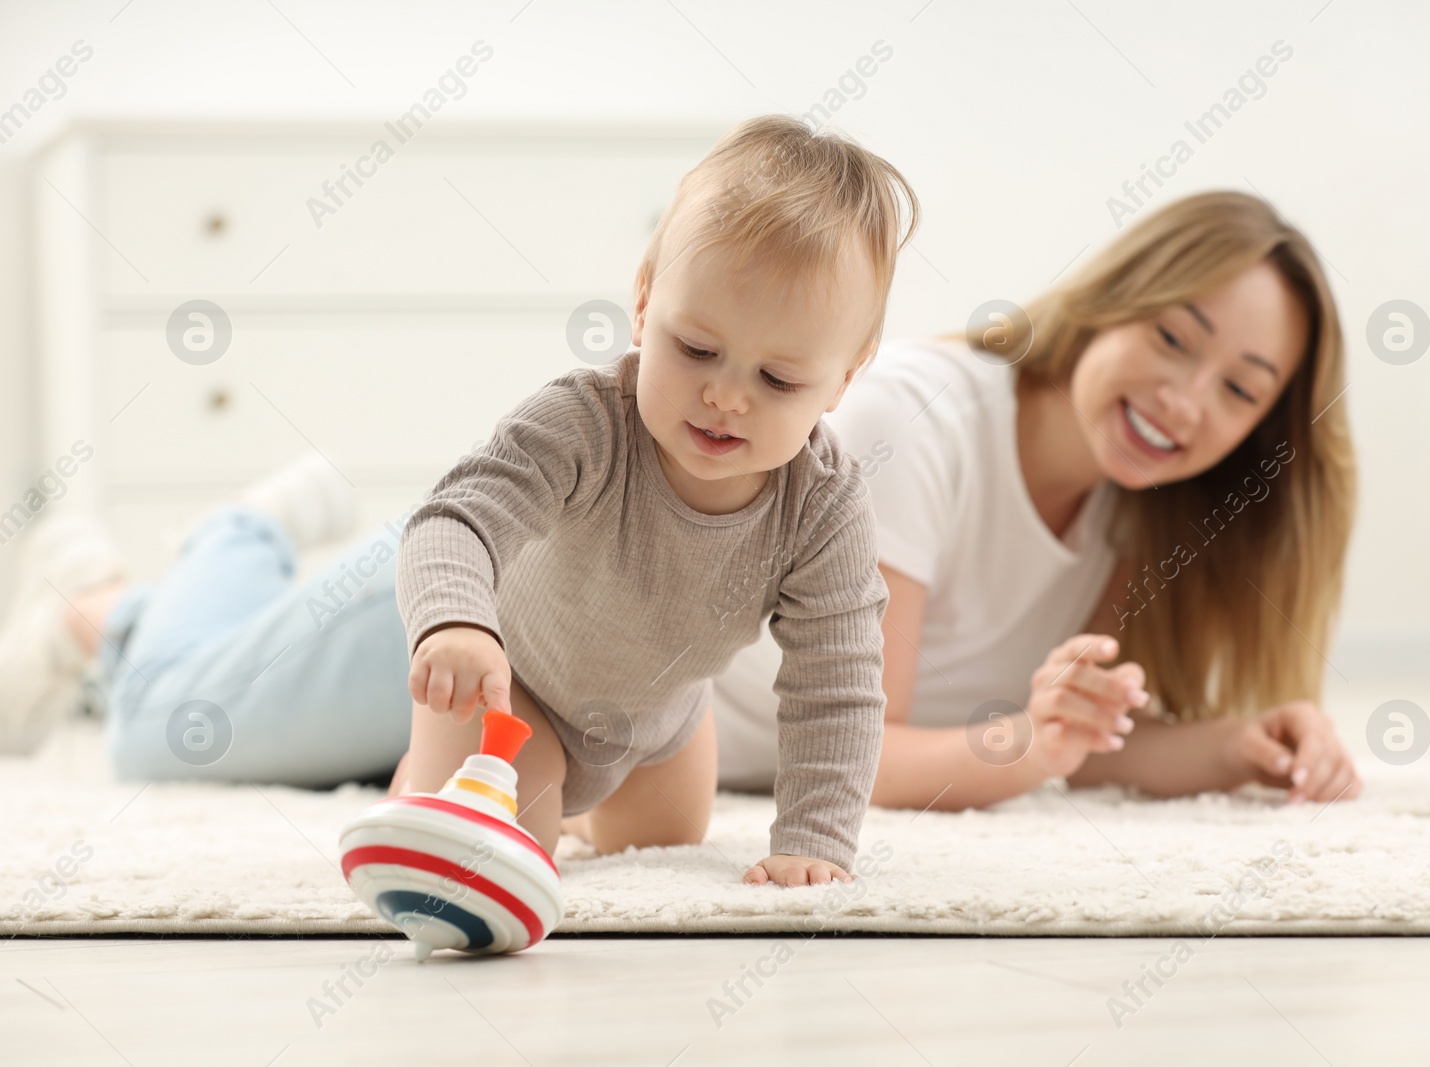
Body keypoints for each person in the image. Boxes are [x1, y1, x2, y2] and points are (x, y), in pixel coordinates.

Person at [0, 115, 919, 890]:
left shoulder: (824, 504)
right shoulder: (585, 422)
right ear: (643, 305)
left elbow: (838, 679)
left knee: (662, 848)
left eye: (779, 377)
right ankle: (192, 570)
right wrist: (454, 625)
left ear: (842, 381)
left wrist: (814, 843)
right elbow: (456, 521)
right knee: (194, 745)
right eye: (696, 349)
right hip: (485, 654)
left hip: (656, 716)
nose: (727, 396)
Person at [714, 190, 1364, 811]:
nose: (1186, 403)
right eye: (1171, 339)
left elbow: (1087, 741)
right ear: (1111, 300)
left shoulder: (1134, 505)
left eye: (1240, 391)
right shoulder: (912, 420)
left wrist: (1242, 745)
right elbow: (856, 753)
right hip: (647, 757)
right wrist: (1029, 748)